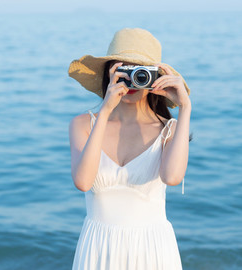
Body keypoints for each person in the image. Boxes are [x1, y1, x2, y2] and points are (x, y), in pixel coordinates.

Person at [68, 28, 192, 270]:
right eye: (124, 70)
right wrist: (104, 111)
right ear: (109, 74)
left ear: (155, 77)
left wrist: (185, 107)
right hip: (98, 248)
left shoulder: (168, 129)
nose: (132, 79)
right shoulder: (83, 125)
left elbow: (173, 177)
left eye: (141, 71)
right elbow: (83, 182)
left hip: (152, 249)